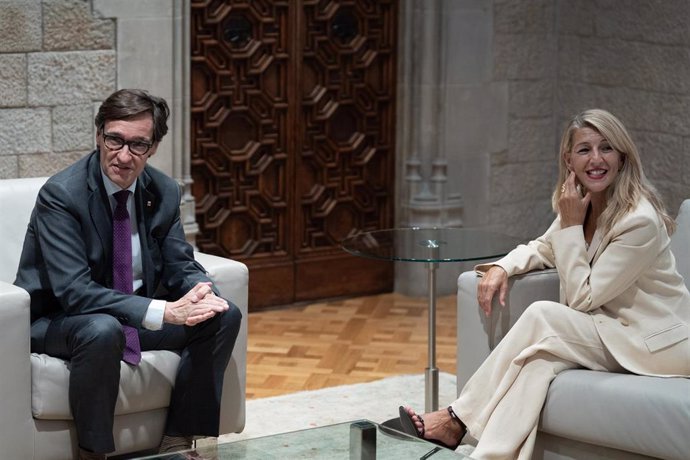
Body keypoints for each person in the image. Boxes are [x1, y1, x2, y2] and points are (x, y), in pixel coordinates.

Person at [397, 109, 690, 459]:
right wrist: (503, 268)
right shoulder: (582, 205)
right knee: (535, 365)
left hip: (657, 346)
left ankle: (454, 419)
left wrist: (568, 226)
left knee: (542, 316)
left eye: (607, 148)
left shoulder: (638, 220)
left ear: (622, 156)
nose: (596, 159)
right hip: (610, 333)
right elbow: (543, 247)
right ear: (569, 160)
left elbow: (583, 298)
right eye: (584, 150)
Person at [14, 89, 243, 460]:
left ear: (153, 148)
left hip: (130, 320)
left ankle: (179, 441)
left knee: (223, 314)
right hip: (58, 321)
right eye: (114, 139)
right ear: (99, 135)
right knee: (102, 328)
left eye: (138, 145)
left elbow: (180, 263)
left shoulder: (164, 191)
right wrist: (164, 311)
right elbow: (75, 293)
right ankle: (94, 452)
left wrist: (203, 293)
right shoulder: (61, 196)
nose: (123, 155)